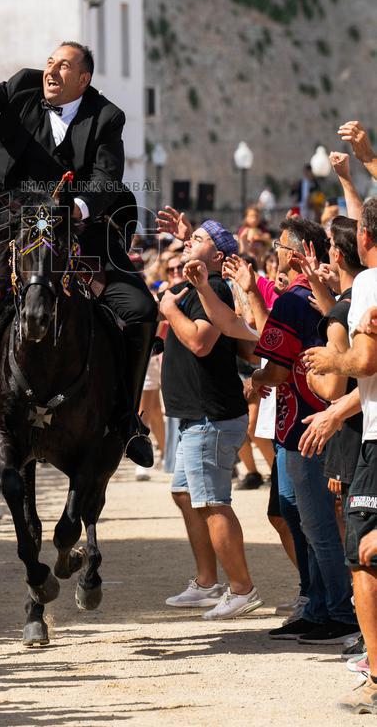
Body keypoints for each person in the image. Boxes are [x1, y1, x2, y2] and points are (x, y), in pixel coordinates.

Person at [0, 23, 157, 467]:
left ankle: (126, 419)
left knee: (143, 310)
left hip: (85, 231)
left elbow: (108, 178)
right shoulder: (23, 87)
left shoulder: (107, 117)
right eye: (50, 62)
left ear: (83, 79)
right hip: (23, 228)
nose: (52, 70)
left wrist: (78, 211)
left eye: (64, 65)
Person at [251, 216, 358, 645]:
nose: (274, 252)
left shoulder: (293, 301)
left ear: (294, 253)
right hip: (308, 427)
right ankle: (316, 605)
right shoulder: (318, 297)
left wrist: (256, 380)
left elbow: (277, 371)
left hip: (304, 428)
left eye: (279, 246)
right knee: (301, 518)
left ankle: (338, 610)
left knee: (315, 525)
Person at [156, 215, 262, 619]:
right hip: (194, 416)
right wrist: (190, 239)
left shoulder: (214, 287)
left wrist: (169, 310)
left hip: (210, 415)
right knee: (186, 495)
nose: (186, 242)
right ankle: (206, 583)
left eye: (197, 239)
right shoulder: (202, 280)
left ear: (216, 255)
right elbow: (200, 254)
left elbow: (200, 342)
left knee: (213, 501)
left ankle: (242, 588)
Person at [302, 198, 377, 710]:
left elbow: (359, 365)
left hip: (368, 439)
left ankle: (374, 671)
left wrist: (330, 358)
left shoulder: (369, 283)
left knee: (364, 554)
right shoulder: (360, 288)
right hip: (367, 434)